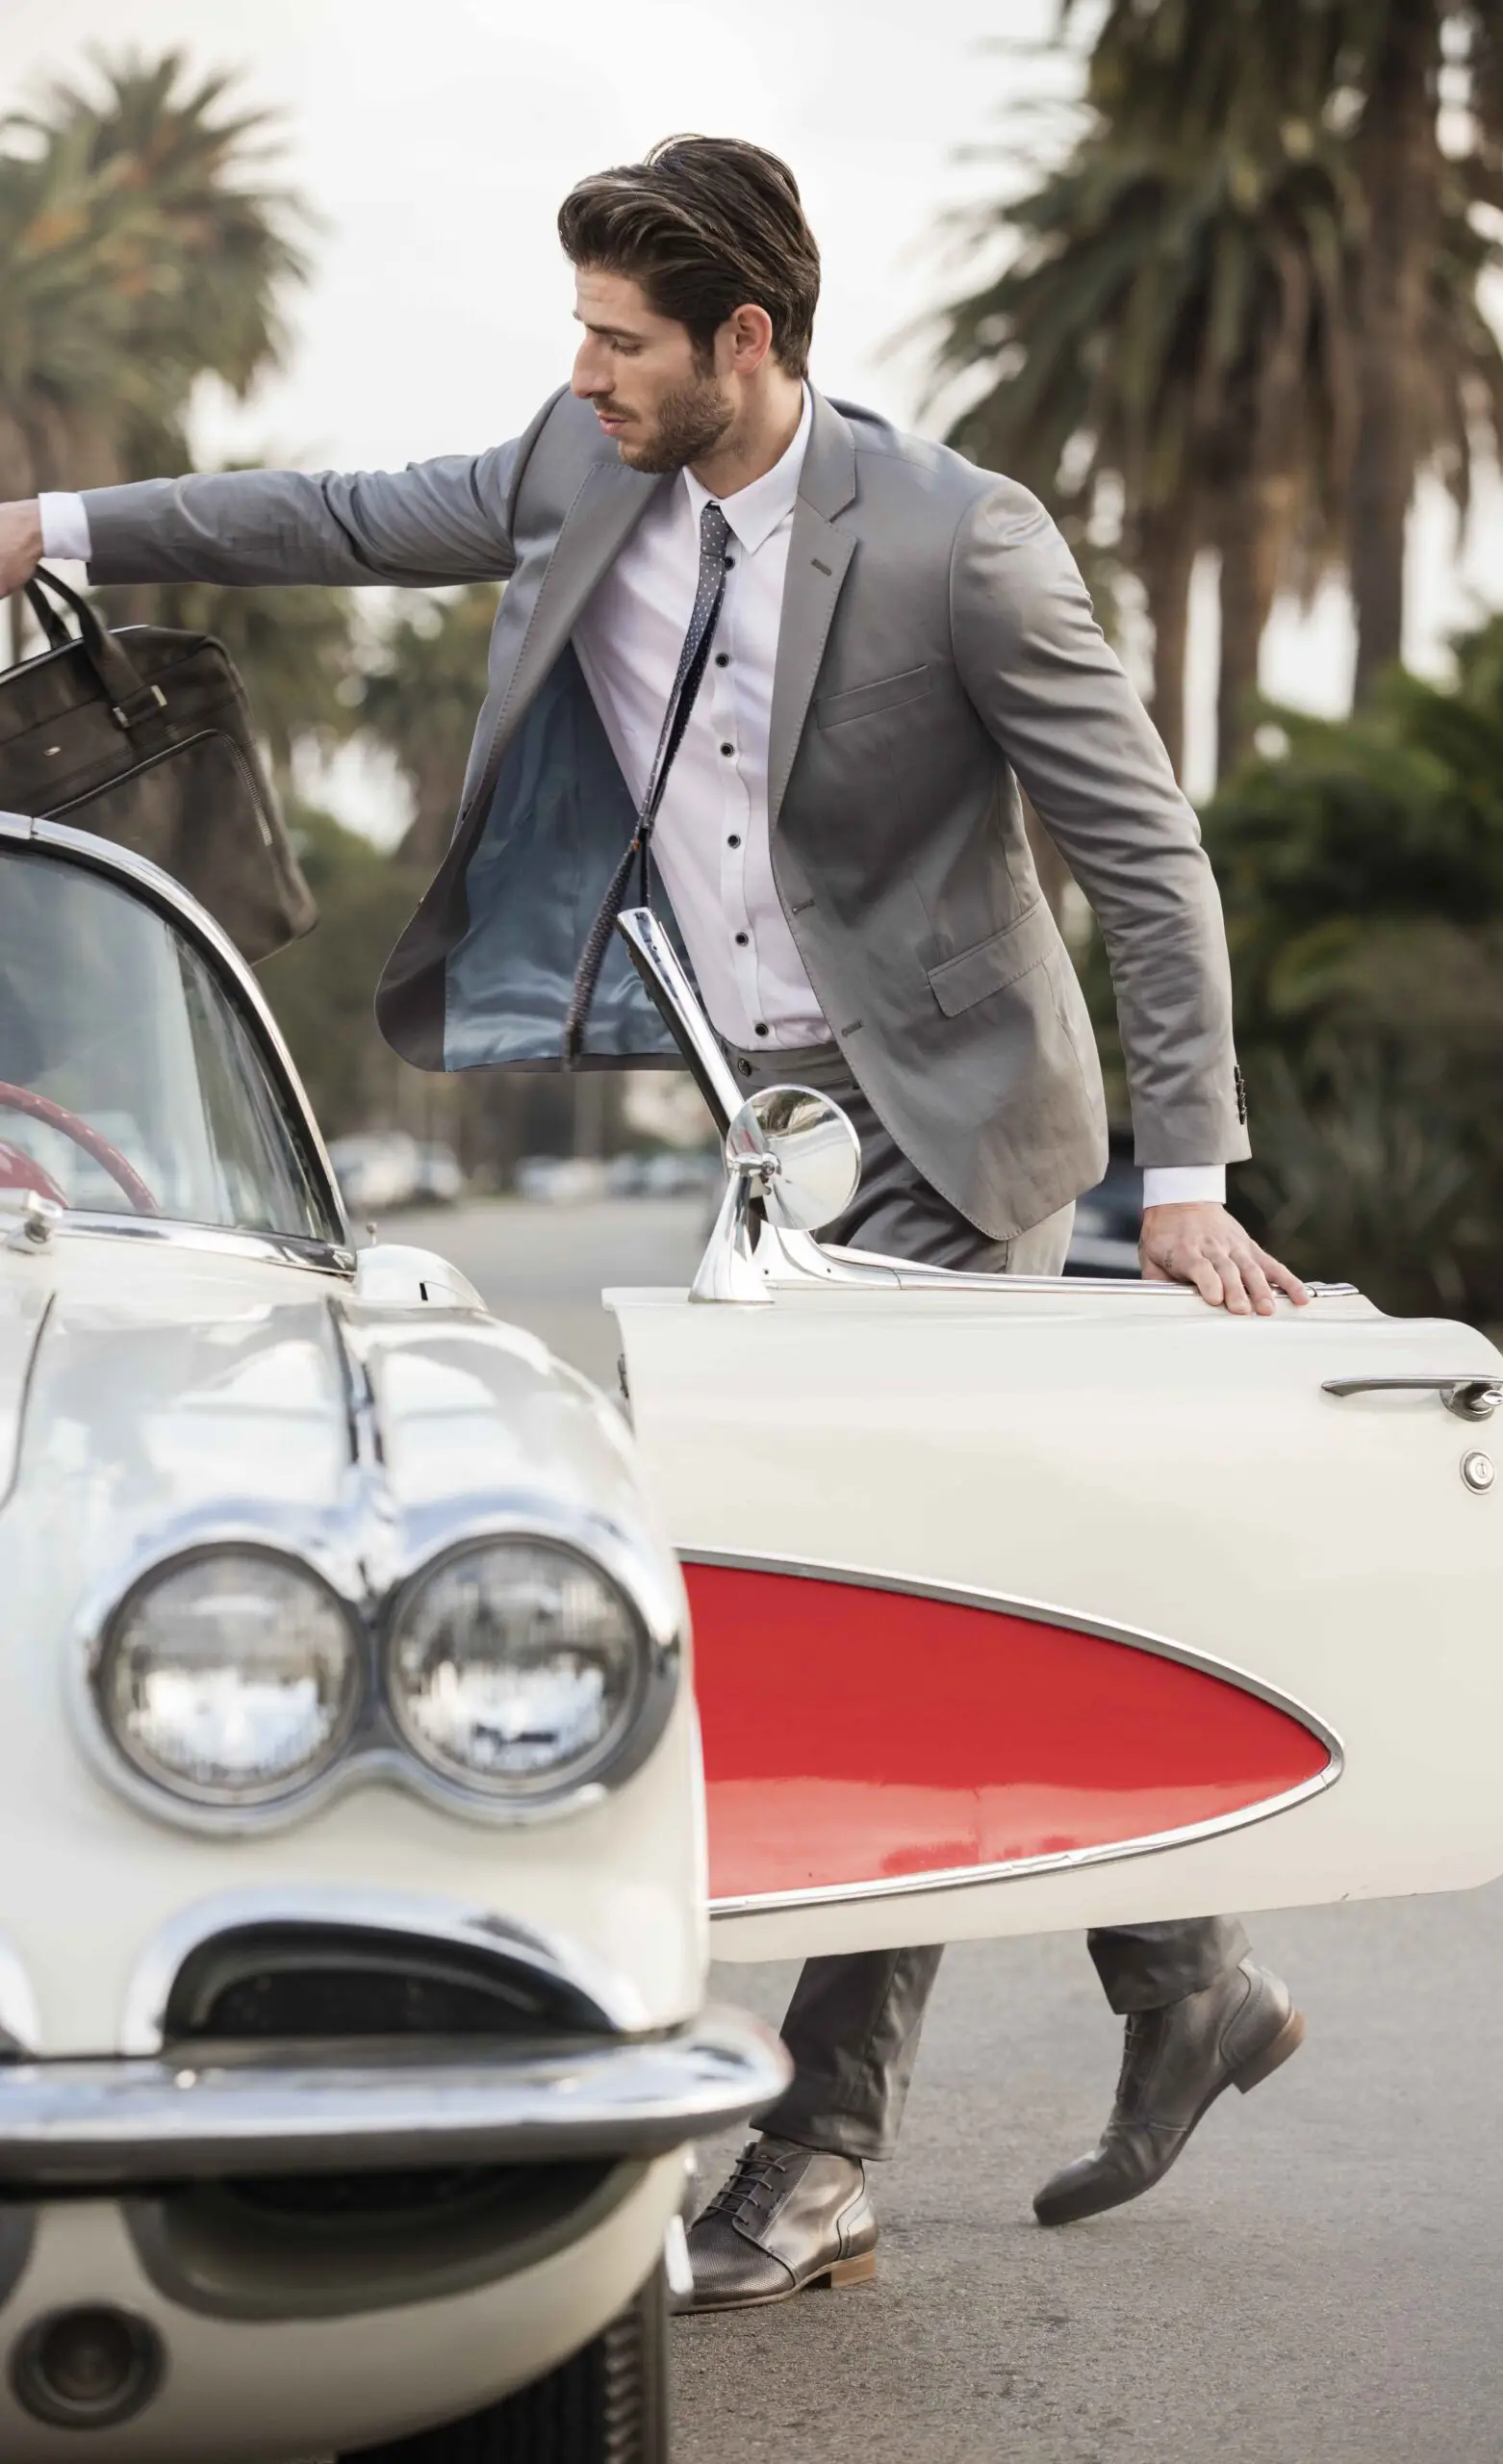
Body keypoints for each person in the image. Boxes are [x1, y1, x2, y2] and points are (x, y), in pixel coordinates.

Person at [0, 132, 1310, 2312]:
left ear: (746, 341)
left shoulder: (963, 546)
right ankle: (1183, 1967)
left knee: (865, 1590)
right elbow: (331, 520)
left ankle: (817, 2152)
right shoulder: (578, 463)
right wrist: (54, 524)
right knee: (833, 1579)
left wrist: (1184, 1182)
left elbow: (1146, 860)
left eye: (622, 338)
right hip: (766, 1130)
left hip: (957, 1122)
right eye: (578, 334)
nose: (583, 371)